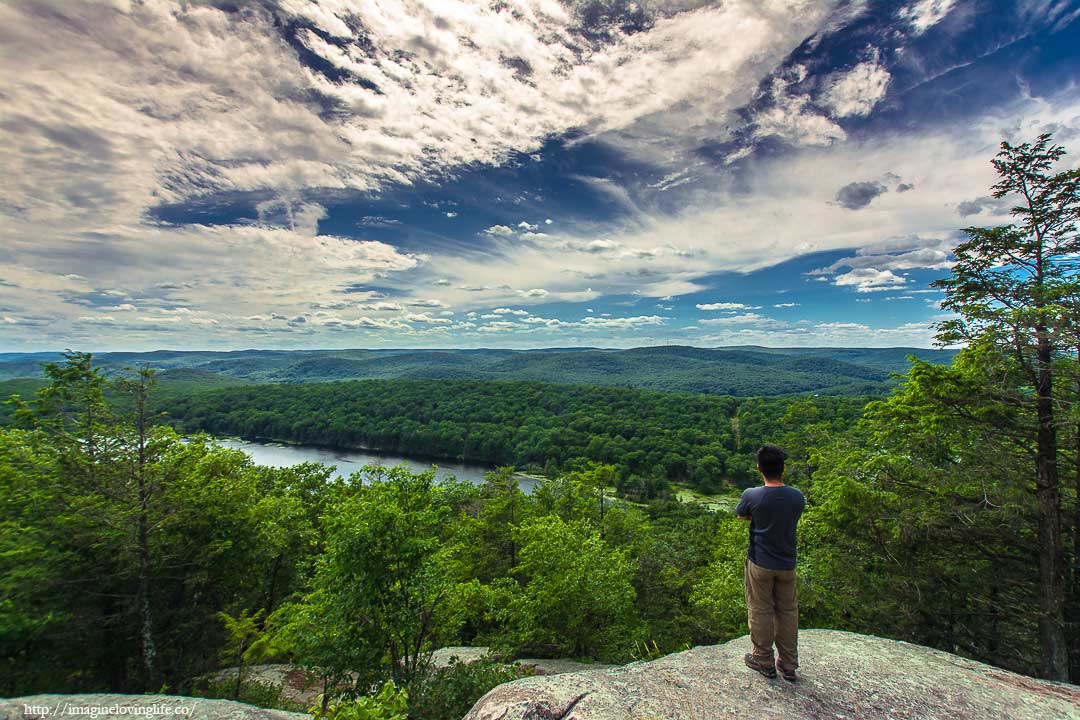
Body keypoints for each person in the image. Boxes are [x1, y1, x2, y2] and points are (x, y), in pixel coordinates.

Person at [735, 444, 805, 682]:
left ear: (759, 468)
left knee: (760, 608)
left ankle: (763, 659)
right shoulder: (796, 496)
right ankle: (788, 665)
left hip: (760, 562)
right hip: (787, 563)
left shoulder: (752, 495)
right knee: (787, 611)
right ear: (783, 468)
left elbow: (742, 514)